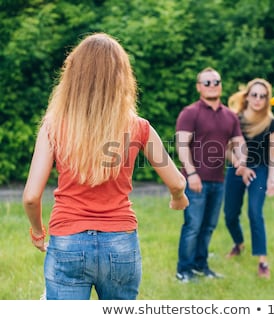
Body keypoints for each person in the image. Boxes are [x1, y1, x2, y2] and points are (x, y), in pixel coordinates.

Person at [22, 33, 189, 300]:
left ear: (73, 75)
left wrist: (38, 231)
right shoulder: (139, 127)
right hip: (120, 243)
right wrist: (178, 199)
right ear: (122, 76)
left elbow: (31, 197)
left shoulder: (53, 127)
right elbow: (177, 182)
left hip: (67, 241)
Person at [175, 67, 247, 282]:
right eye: (206, 82)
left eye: (216, 81)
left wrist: (240, 161)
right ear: (199, 87)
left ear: (221, 85)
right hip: (195, 180)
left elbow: (236, 144)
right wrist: (192, 174)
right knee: (193, 226)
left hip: (218, 180)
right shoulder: (190, 113)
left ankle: (200, 265)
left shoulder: (229, 116)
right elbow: (181, 145)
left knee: (208, 227)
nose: (212, 85)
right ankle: (183, 270)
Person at [223, 78, 274, 278]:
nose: (258, 99)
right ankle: (239, 243)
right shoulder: (235, 119)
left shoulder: (271, 123)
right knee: (230, 214)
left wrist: (272, 179)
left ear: (267, 100)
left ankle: (262, 261)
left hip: (260, 170)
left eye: (262, 96)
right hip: (236, 169)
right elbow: (226, 149)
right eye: (254, 95)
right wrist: (240, 164)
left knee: (255, 212)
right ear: (247, 96)